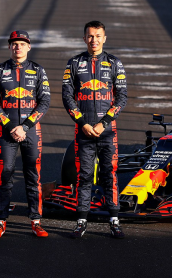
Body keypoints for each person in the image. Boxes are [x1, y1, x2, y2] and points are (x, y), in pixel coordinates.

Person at [62, 21, 127, 239]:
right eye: (90, 36)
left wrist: (103, 122)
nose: (94, 40)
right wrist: (83, 123)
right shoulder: (74, 63)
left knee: (110, 174)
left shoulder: (115, 63)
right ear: (84, 38)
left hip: (107, 131)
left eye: (98, 36)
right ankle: (81, 221)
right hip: (83, 130)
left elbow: (122, 97)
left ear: (104, 38)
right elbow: (67, 97)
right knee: (84, 175)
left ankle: (114, 221)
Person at [0, 30, 51, 238]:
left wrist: (25, 127)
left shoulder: (38, 70)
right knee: (5, 176)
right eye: (14, 44)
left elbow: (45, 101)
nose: (18, 47)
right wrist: (9, 126)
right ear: (9, 46)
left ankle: (36, 221)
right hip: (6, 131)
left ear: (29, 47)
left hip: (31, 131)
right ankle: (1, 221)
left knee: (33, 176)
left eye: (22, 44)